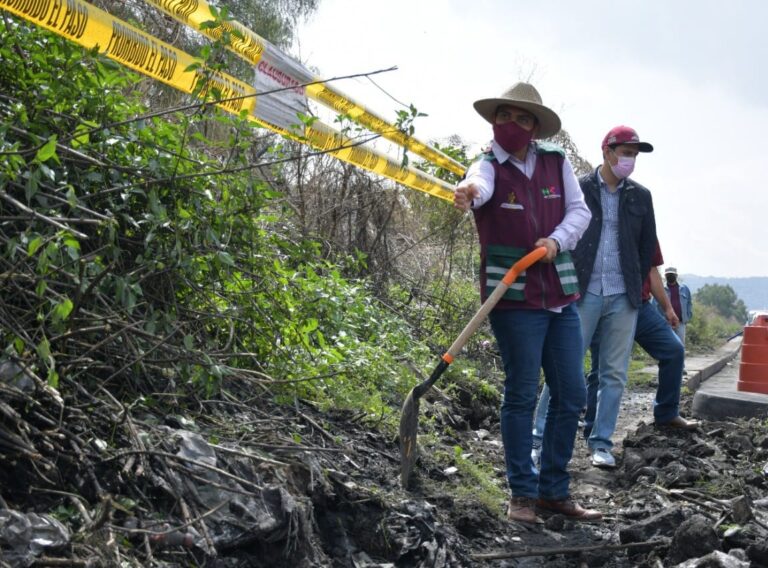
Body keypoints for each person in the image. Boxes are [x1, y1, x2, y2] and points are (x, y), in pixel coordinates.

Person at [453, 82, 600, 523]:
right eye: (505, 116)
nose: (512, 125)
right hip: (512, 296)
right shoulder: (487, 164)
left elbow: (580, 212)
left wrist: (556, 241)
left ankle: (554, 490)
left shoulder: (556, 162)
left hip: (559, 291)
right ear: (494, 120)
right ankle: (522, 494)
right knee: (520, 392)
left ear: (535, 126)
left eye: (522, 118)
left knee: (571, 394)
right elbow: (479, 184)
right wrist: (469, 192)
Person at [532, 242, 701, 469]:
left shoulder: (640, 219)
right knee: (593, 369)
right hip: (596, 298)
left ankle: (666, 412)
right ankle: (567, 437)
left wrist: (668, 308)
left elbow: (652, 270)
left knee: (672, 350)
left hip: (636, 304)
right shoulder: (592, 214)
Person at [572, 125, 658, 469]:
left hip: (623, 296)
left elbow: (646, 246)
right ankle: (540, 437)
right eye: (625, 153)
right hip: (583, 292)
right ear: (607, 151)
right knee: (565, 369)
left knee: (614, 374)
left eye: (634, 155)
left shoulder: (641, 196)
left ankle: (601, 443)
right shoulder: (578, 188)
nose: (630, 160)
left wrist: (639, 288)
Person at [661, 266, 693, 372]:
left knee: (680, 345)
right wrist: (661, 320)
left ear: (676, 276)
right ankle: (668, 367)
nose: (670, 276)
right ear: (665, 276)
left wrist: (687, 316)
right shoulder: (661, 289)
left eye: (672, 274)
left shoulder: (684, 288)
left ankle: (680, 368)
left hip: (680, 322)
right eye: (668, 274)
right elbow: (655, 305)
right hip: (667, 323)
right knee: (667, 345)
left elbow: (689, 303)